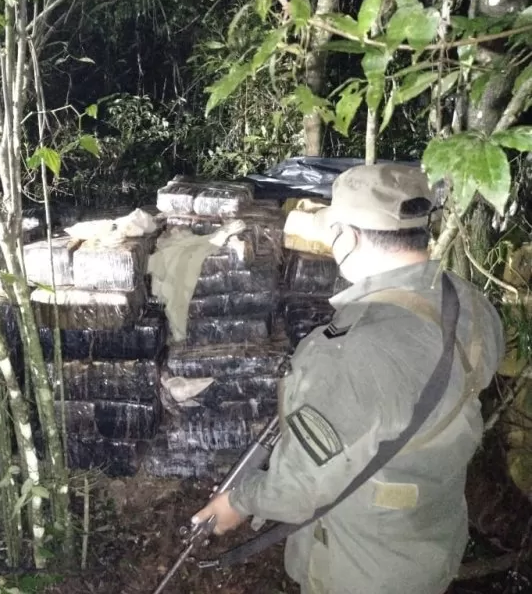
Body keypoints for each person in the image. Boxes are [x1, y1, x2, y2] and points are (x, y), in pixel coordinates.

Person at [192, 164, 505, 594]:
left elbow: (300, 489)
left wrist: (238, 502)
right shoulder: (467, 300)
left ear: (347, 236)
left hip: (362, 565)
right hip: (432, 535)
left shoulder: (346, 350)